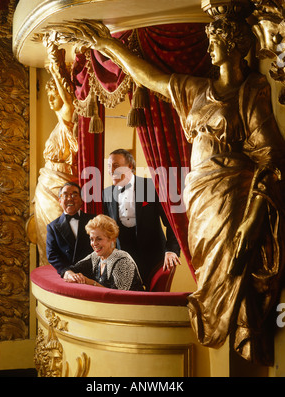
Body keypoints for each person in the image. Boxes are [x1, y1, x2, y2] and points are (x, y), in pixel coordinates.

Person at [66, 16, 285, 364]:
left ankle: (242, 347)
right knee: (210, 273)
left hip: (232, 202)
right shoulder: (196, 90)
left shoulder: (251, 90)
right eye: (209, 38)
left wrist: (250, 222)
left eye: (215, 39)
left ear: (235, 45)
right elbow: (148, 77)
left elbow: (271, 159)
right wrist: (107, 45)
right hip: (199, 200)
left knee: (231, 274)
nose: (210, 45)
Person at [103, 149, 181, 288]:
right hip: (124, 262)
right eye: (109, 166)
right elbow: (107, 230)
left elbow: (171, 221)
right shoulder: (107, 193)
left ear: (130, 166)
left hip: (155, 259)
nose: (111, 170)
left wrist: (171, 250)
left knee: (154, 305)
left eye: (116, 165)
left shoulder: (152, 186)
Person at [34, 33, 79, 266]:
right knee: (45, 237)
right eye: (49, 95)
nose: (51, 100)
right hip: (46, 184)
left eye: (54, 96)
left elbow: (68, 101)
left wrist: (55, 67)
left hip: (60, 183)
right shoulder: (57, 124)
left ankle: (60, 277)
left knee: (59, 236)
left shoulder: (67, 118)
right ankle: (49, 278)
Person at [63, 214, 144, 291]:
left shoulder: (123, 261)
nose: (94, 243)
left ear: (111, 239)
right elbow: (69, 269)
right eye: (92, 239)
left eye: (99, 239)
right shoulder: (95, 256)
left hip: (133, 304)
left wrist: (89, 282)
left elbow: (118, 296)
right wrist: (72, 275)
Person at [46, 182, 95, 277]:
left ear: (81, 200)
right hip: (69, 275)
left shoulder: (94, 221)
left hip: (93, 274)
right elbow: (52, 255)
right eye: (65, 195)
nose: (69, 198)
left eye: (74, 195)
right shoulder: (53, 227)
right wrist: (66, 272)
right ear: (59, 200)